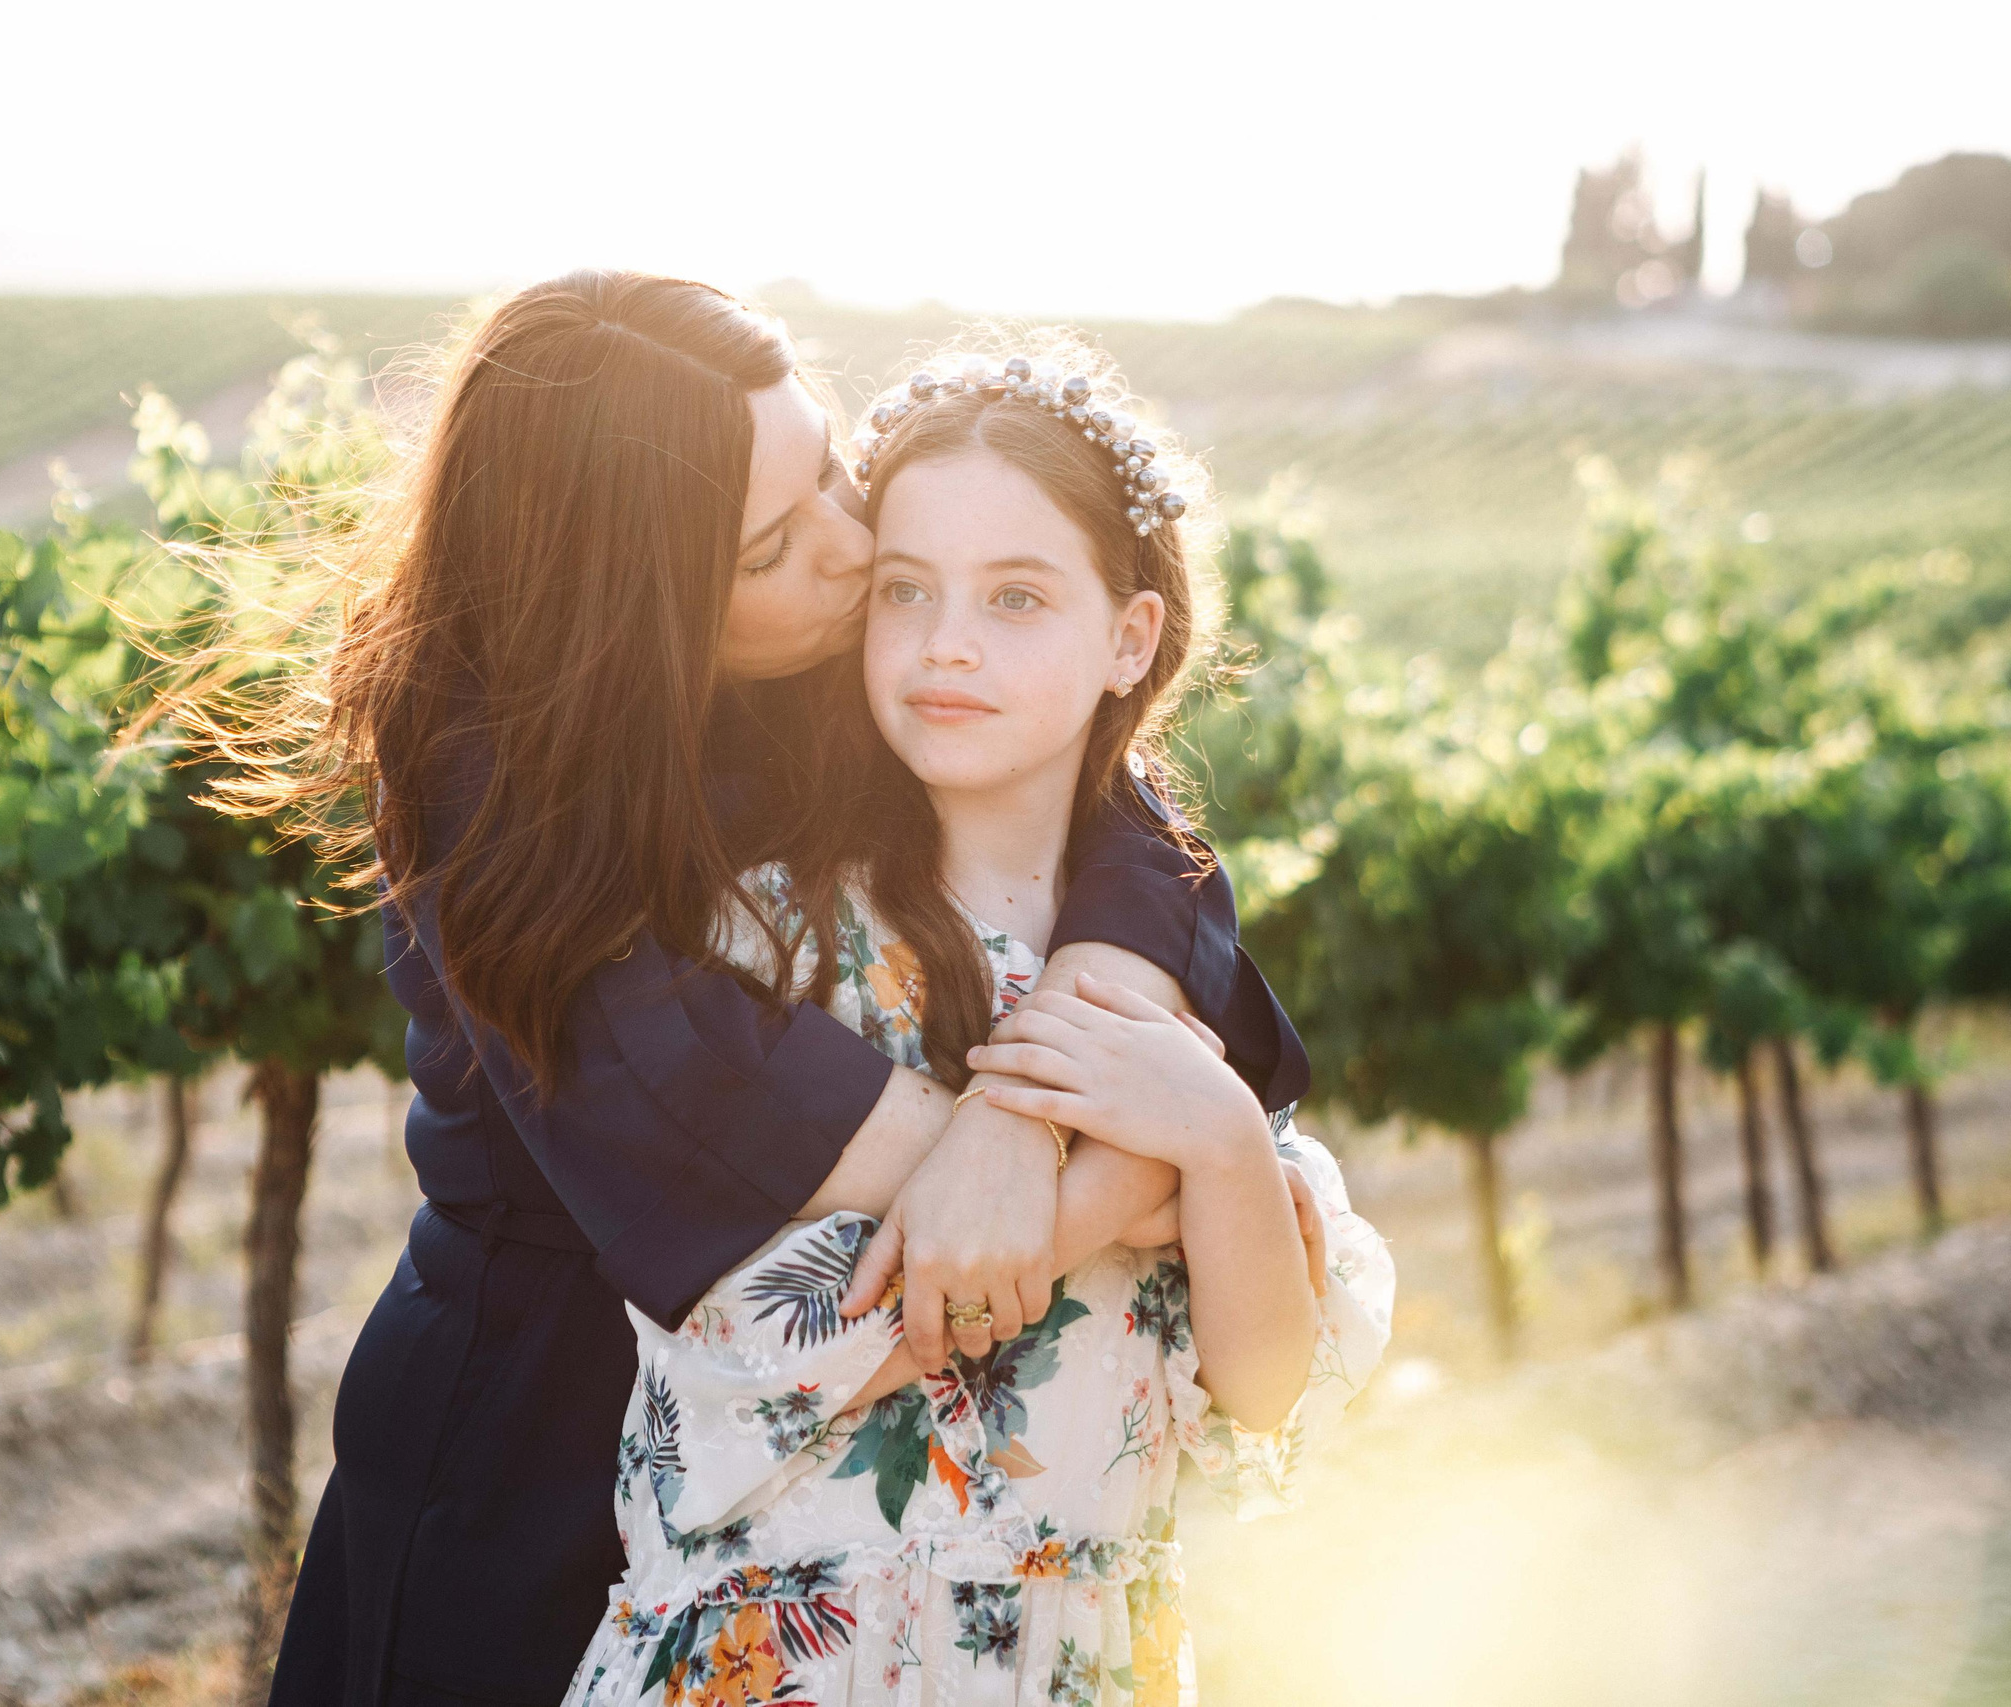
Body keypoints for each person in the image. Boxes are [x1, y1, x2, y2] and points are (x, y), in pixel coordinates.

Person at [248, 274, 1317, 1707]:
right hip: (539, 1456)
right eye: (771, 544)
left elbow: (1119, 822)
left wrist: (1028, 1109)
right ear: (640, 600)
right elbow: (713, 1093)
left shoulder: (847, 644)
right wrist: (1131, 1175)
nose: (849, 545)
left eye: (831, 470)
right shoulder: (483, 785)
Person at [562, 339, 1392, 1706]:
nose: (948, 643)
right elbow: (729, 1363)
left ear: (1131, 637)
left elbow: (1266, 1384)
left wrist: (1223, 1143)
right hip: (782, 1667)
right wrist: (1123, 1185)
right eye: (906, 592)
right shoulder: (757, 944)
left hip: (1080, 1667)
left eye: (1016, 598)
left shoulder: (1163, 983)